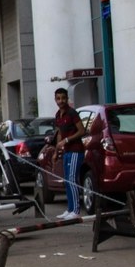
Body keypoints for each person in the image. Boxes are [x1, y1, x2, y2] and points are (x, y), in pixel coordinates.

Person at [52, 88, 86, 219]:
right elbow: (60, 133)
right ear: (55, 100)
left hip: (75, 151)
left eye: (63, 98)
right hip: (66, 151)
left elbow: (82, 131)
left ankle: (76, 210)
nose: (61, 101)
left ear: (67, 99)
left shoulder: (72, 113)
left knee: (72, 179)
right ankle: (70, 208)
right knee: (66, 180)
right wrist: (56, 152)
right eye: (58, 98)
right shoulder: (58, 115)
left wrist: (67, 140)